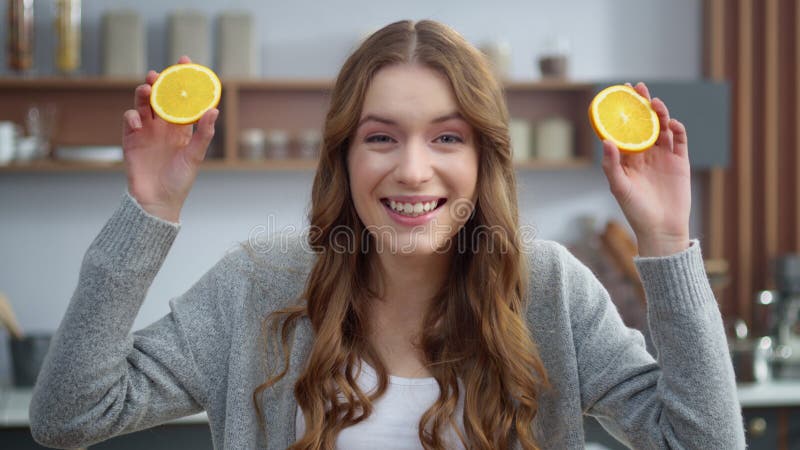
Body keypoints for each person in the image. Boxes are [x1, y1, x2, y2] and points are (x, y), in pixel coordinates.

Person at [29, 19, 745, 449]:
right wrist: (148, 211)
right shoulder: (259, 284)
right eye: (380, 137)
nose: (412, 170)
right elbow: (68, 417)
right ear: (343, 155)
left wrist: (665, 238)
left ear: (483, 159)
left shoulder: (549, 288)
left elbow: (704, 443)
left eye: (446, 138)